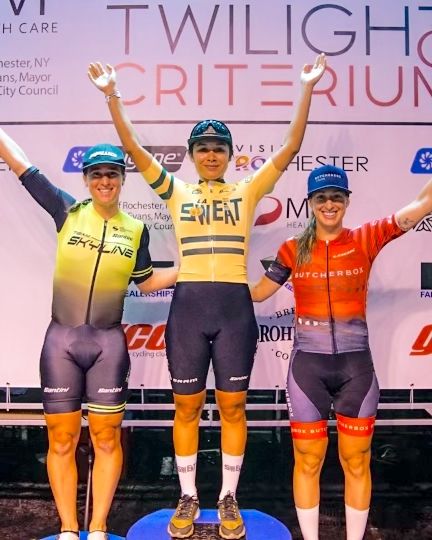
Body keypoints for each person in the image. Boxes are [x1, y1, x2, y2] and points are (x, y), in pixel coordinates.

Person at [88, 53, 327, 539]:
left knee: (235, 406)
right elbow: (133, 150)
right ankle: (188, 495)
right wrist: (112, 96)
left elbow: (291, 144)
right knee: (186, 408)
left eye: (220, 147)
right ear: (193, 154)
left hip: (235, 310)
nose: (212, 154)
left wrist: (306, 89)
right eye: (203, 147)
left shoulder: (247, 190)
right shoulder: (176, 191)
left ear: (231, 154)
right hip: (190, 309)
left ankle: (229, 497)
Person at [0, 130, 177, 540]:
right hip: (61, 342)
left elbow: (147, 283)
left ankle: (97, 528)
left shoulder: (136, 230)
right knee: (61, 440)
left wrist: (193, 267)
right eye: (96, 174)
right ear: (86, 179)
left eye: (112, 174)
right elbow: (22, 165)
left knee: (106, 438)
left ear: (121, 178)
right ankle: (67, 528)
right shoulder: (66, 209)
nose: (104, 181)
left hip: (108, 345)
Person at [250, 164, 432, 540]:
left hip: (356, 371)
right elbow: (257, 293)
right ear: (310, 204)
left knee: (357, 461)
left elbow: (423, 203)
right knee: (308, 460)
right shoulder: (290, 250)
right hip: (307, 373)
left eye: (336, 197)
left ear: (347, 202)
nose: (329, 204)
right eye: (321, 198)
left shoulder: (366, 238)